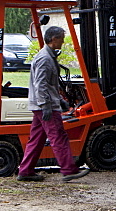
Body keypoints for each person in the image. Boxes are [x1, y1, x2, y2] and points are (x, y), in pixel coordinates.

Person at [16, 26, 91, 182]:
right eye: (61, 38)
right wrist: (46, 106)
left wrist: (60, 100)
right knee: (59, 136)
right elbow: (40, 84)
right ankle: (69, 170)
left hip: (42, 105)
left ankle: (25, 171)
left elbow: (47, 85)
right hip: (45, 106)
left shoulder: (47, 56)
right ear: (54, 39)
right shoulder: (45, 59)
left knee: (36, 139)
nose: (63, 41)